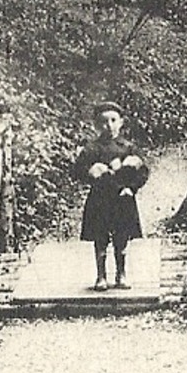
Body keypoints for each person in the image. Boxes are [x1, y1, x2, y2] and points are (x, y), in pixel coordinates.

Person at [73, 101, 149, 290]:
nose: (109, 125)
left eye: (113, 120)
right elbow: (77, 171)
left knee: (121, 237)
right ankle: (101, 276)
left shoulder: (128, 147)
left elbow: (143, 172)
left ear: (121, 122)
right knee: (100, 237)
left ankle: (121, 274)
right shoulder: (92, 148)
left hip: (123, 198)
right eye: (104, 122)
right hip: (100, 199)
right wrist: (91, 171)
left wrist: (131, 188)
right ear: (96, 125)